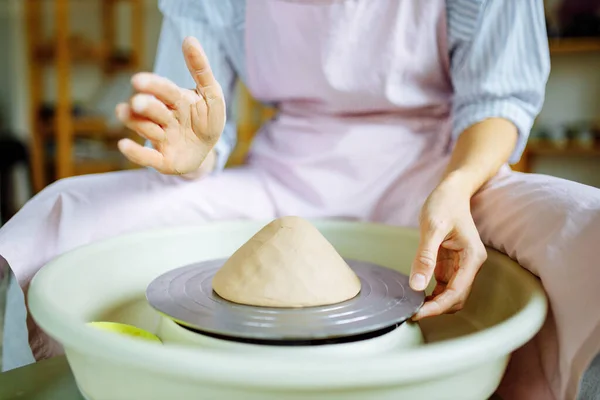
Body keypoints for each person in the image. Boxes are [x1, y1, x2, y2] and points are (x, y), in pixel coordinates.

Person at [0, 1, 598, 398]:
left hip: (437, 175)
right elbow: (199, 113)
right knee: (66, 211)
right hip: (284, 175)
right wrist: (196, 150)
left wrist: (458, 187)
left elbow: (499, 98)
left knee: (584, 226)